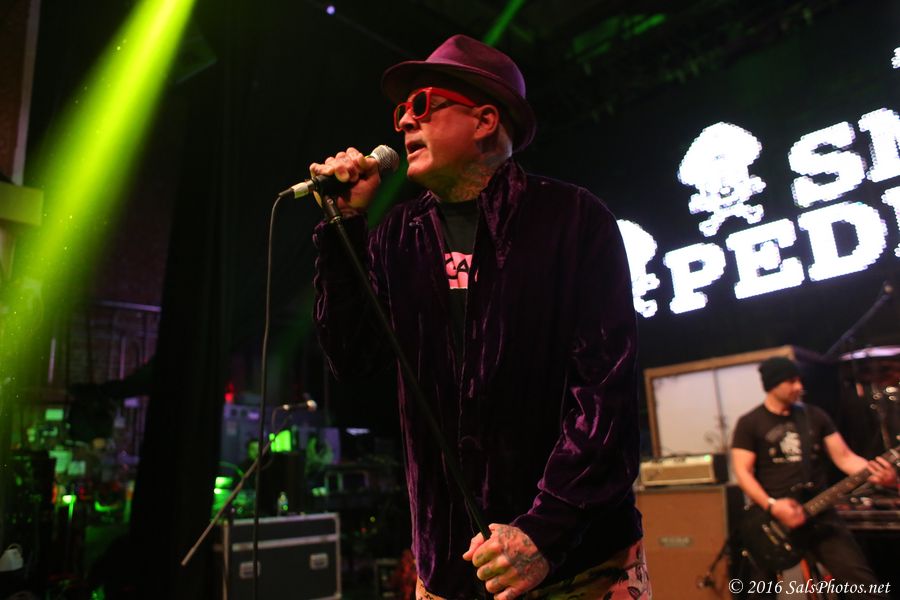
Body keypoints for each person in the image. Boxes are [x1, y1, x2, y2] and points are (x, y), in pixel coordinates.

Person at [310, 35, 647, 599]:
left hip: (578, 567)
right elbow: (352, 358)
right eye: (401, 110)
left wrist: (544, 532)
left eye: (422, 105)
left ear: (485, 120)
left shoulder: (572, 219)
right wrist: (343, 227)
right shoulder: (397, 237)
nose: (404, 122)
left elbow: (604, 397)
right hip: (451, 575)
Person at [731, 356, 897, 596]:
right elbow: (743, 472)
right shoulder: (750, 423)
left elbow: (845, 458)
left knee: (864, 586)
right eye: (791, 381)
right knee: (759, 592)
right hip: (771, 519)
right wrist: (772, 505)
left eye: (799, 380)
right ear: (772, 385)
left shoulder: (814, 416)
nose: (799, 386)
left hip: (819, 512)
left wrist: (877, 474)